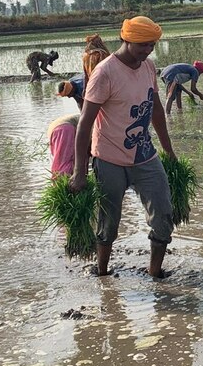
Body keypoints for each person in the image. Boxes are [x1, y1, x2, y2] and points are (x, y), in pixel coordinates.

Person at [69, 16, 176, 278]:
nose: (147, 50)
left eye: (151, 45)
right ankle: (102, 272)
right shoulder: (105, 73)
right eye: (142, 45)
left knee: (163, 215)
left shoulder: (148, 67)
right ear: (125, 40)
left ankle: (155, 274)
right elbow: (85, 124)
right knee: (109, 223)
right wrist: (79, 171)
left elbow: (156, 110)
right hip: (109, 158)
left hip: (144, 155)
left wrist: (168, 150)